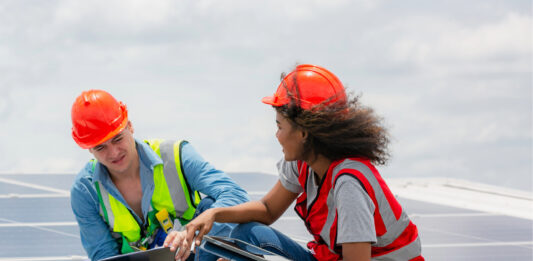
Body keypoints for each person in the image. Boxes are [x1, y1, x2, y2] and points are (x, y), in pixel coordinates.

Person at [166, 64, 424, 260]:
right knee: (242, 235)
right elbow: (267, 210)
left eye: (279, 126)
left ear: (303, 133)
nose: (276, 135)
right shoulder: (303, 161)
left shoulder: (349, 185)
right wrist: (214, 213)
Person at [69, 90, 250, 261]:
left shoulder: (176, 155)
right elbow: (104, 255)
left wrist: (192, 232)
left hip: (195, 254)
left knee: (211, 207)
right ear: (89, 149)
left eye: (117, 139)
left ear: (130, 127)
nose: (114, 152)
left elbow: (237, 197)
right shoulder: (85, 190)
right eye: (100, 147)